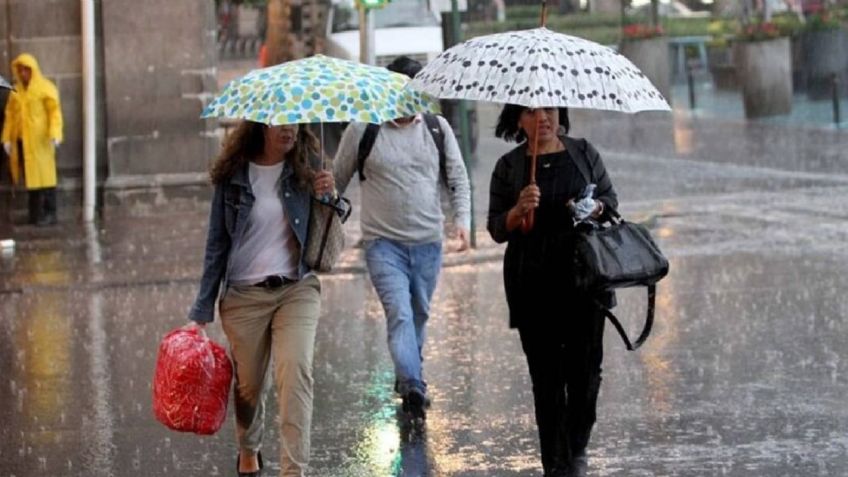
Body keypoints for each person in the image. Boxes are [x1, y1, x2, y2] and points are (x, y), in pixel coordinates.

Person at [186, 120, 336, 477]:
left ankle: (293, 470)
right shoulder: (234, 175)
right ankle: (248, 446)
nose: (289, 131)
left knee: (295, 372)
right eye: (279, 124)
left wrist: (328, 196)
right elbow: (216, 244)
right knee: (250, 386)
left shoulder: (307, 166)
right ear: (260, 126)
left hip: (296, 288)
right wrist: (202, 309)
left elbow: (326, 227)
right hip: (244, 296)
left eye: (295, 123)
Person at [332, 55, 472, 418]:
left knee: (420, 314)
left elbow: (457, 177)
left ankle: (409, 373)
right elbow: (337, 180)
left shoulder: (437, 128)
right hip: (383, 245)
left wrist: (463, 222)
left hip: (428, 242)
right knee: (400, 314)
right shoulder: (364, 130)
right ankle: (412, 383)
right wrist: (321, 207)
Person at [487, 105, 618, 477]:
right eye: (531, 112)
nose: (543, 117)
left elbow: (610, 203)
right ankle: (557, 465)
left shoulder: (583, 152)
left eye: (550, 109)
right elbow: (496, 228)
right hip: (532, 284)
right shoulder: (510, 166)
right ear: (518, 120)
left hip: (584, 281)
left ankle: (576, 446)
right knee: (546, 379)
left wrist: (592, 209)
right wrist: (518, 210)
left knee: (585, 375)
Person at [2, 53, 64, 226]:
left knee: (46, 178)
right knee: (32, 180)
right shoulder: (16, 93)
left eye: (26, 70)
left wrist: (55, 133)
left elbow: (54, 113)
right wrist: (7, 138)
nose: (23, 74)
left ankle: (50, 213)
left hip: (41, 141)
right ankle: (35, 214)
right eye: (20, 71)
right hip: (24, 142)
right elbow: (10, 116)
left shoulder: (45, 89)